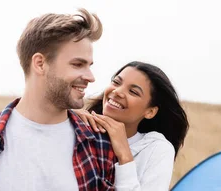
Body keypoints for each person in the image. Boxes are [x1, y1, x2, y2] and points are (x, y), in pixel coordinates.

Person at [0, 8, 117, 191]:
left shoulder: (99, 144)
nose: (90, 77)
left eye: (89, 65)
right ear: (40, 63)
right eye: (78, 64)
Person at [73, 61, 190, 191]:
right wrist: (64, 118)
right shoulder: (78, 127)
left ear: (150, 112)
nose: (117, 92)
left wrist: (125, 155)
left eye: (133, 92)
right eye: (116, 82)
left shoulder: (155, 148)